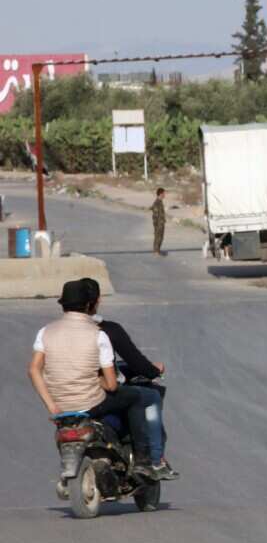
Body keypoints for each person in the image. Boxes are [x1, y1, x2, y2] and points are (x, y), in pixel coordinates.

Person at [28, 279, 158, 479]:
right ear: (90, 305)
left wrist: (52, 406)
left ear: (63, 305)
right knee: (137, 397)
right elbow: (112, 384)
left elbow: (34, 370)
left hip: (61, 407)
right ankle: (142, 460)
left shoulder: (45, 332)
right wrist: (98, 380)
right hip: (91, 403)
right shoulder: (98, 335)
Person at [80, 278, 178, 481]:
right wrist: (153, 371)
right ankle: (153, 460)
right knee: (148, 397)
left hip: (66, 397)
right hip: (98, 395)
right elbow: (134, 363)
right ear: (97, 301)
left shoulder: (53, 332)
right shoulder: (105, 331)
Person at [151, 188, 166, 255]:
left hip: (161, 222)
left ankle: (157, 250)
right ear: (160, 194)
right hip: (158, 223)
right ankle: (156, 251)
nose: (165, 195)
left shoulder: (160, 202)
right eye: (164, 193)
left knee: (160, 236)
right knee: (158, 236)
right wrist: (156, 224)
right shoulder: (157, 202)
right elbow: (155, 215)